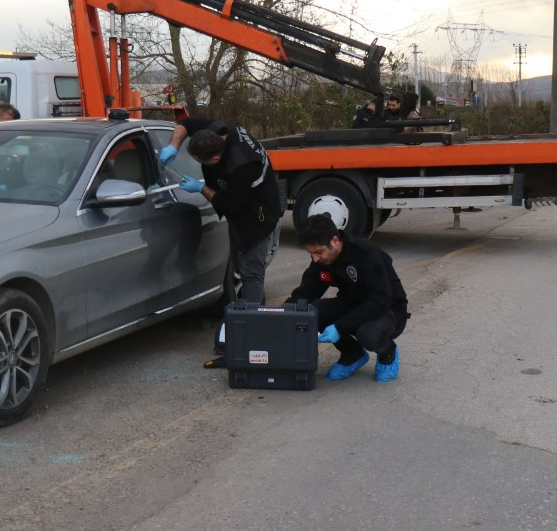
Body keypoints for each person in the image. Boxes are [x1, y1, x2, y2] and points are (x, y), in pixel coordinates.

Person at [160, 117, 281, 368]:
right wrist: (173, 144)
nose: (193, 163)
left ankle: (250, 334)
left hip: (256, 216)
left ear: (215, 159)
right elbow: (187, 122)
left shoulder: (242, 165)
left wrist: (201, 188)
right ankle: (251, 309)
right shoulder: (219, 131)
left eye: (198, 161)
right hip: (241, 209)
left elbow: (230, 204)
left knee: (251, 270)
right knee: (241, 265)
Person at [286, 213, 409, 383]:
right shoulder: (322, 261)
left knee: (368, 334)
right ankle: (353, 354)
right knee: (313, 311)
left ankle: (387, 352)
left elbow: (379, 300)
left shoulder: (365, 254)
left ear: (335, 241)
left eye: (319, 252)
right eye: (311, 254)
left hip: (388, 310)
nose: (315, 258)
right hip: (354, 304)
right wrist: (280, 313)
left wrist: (340, 327)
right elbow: (306, 292)